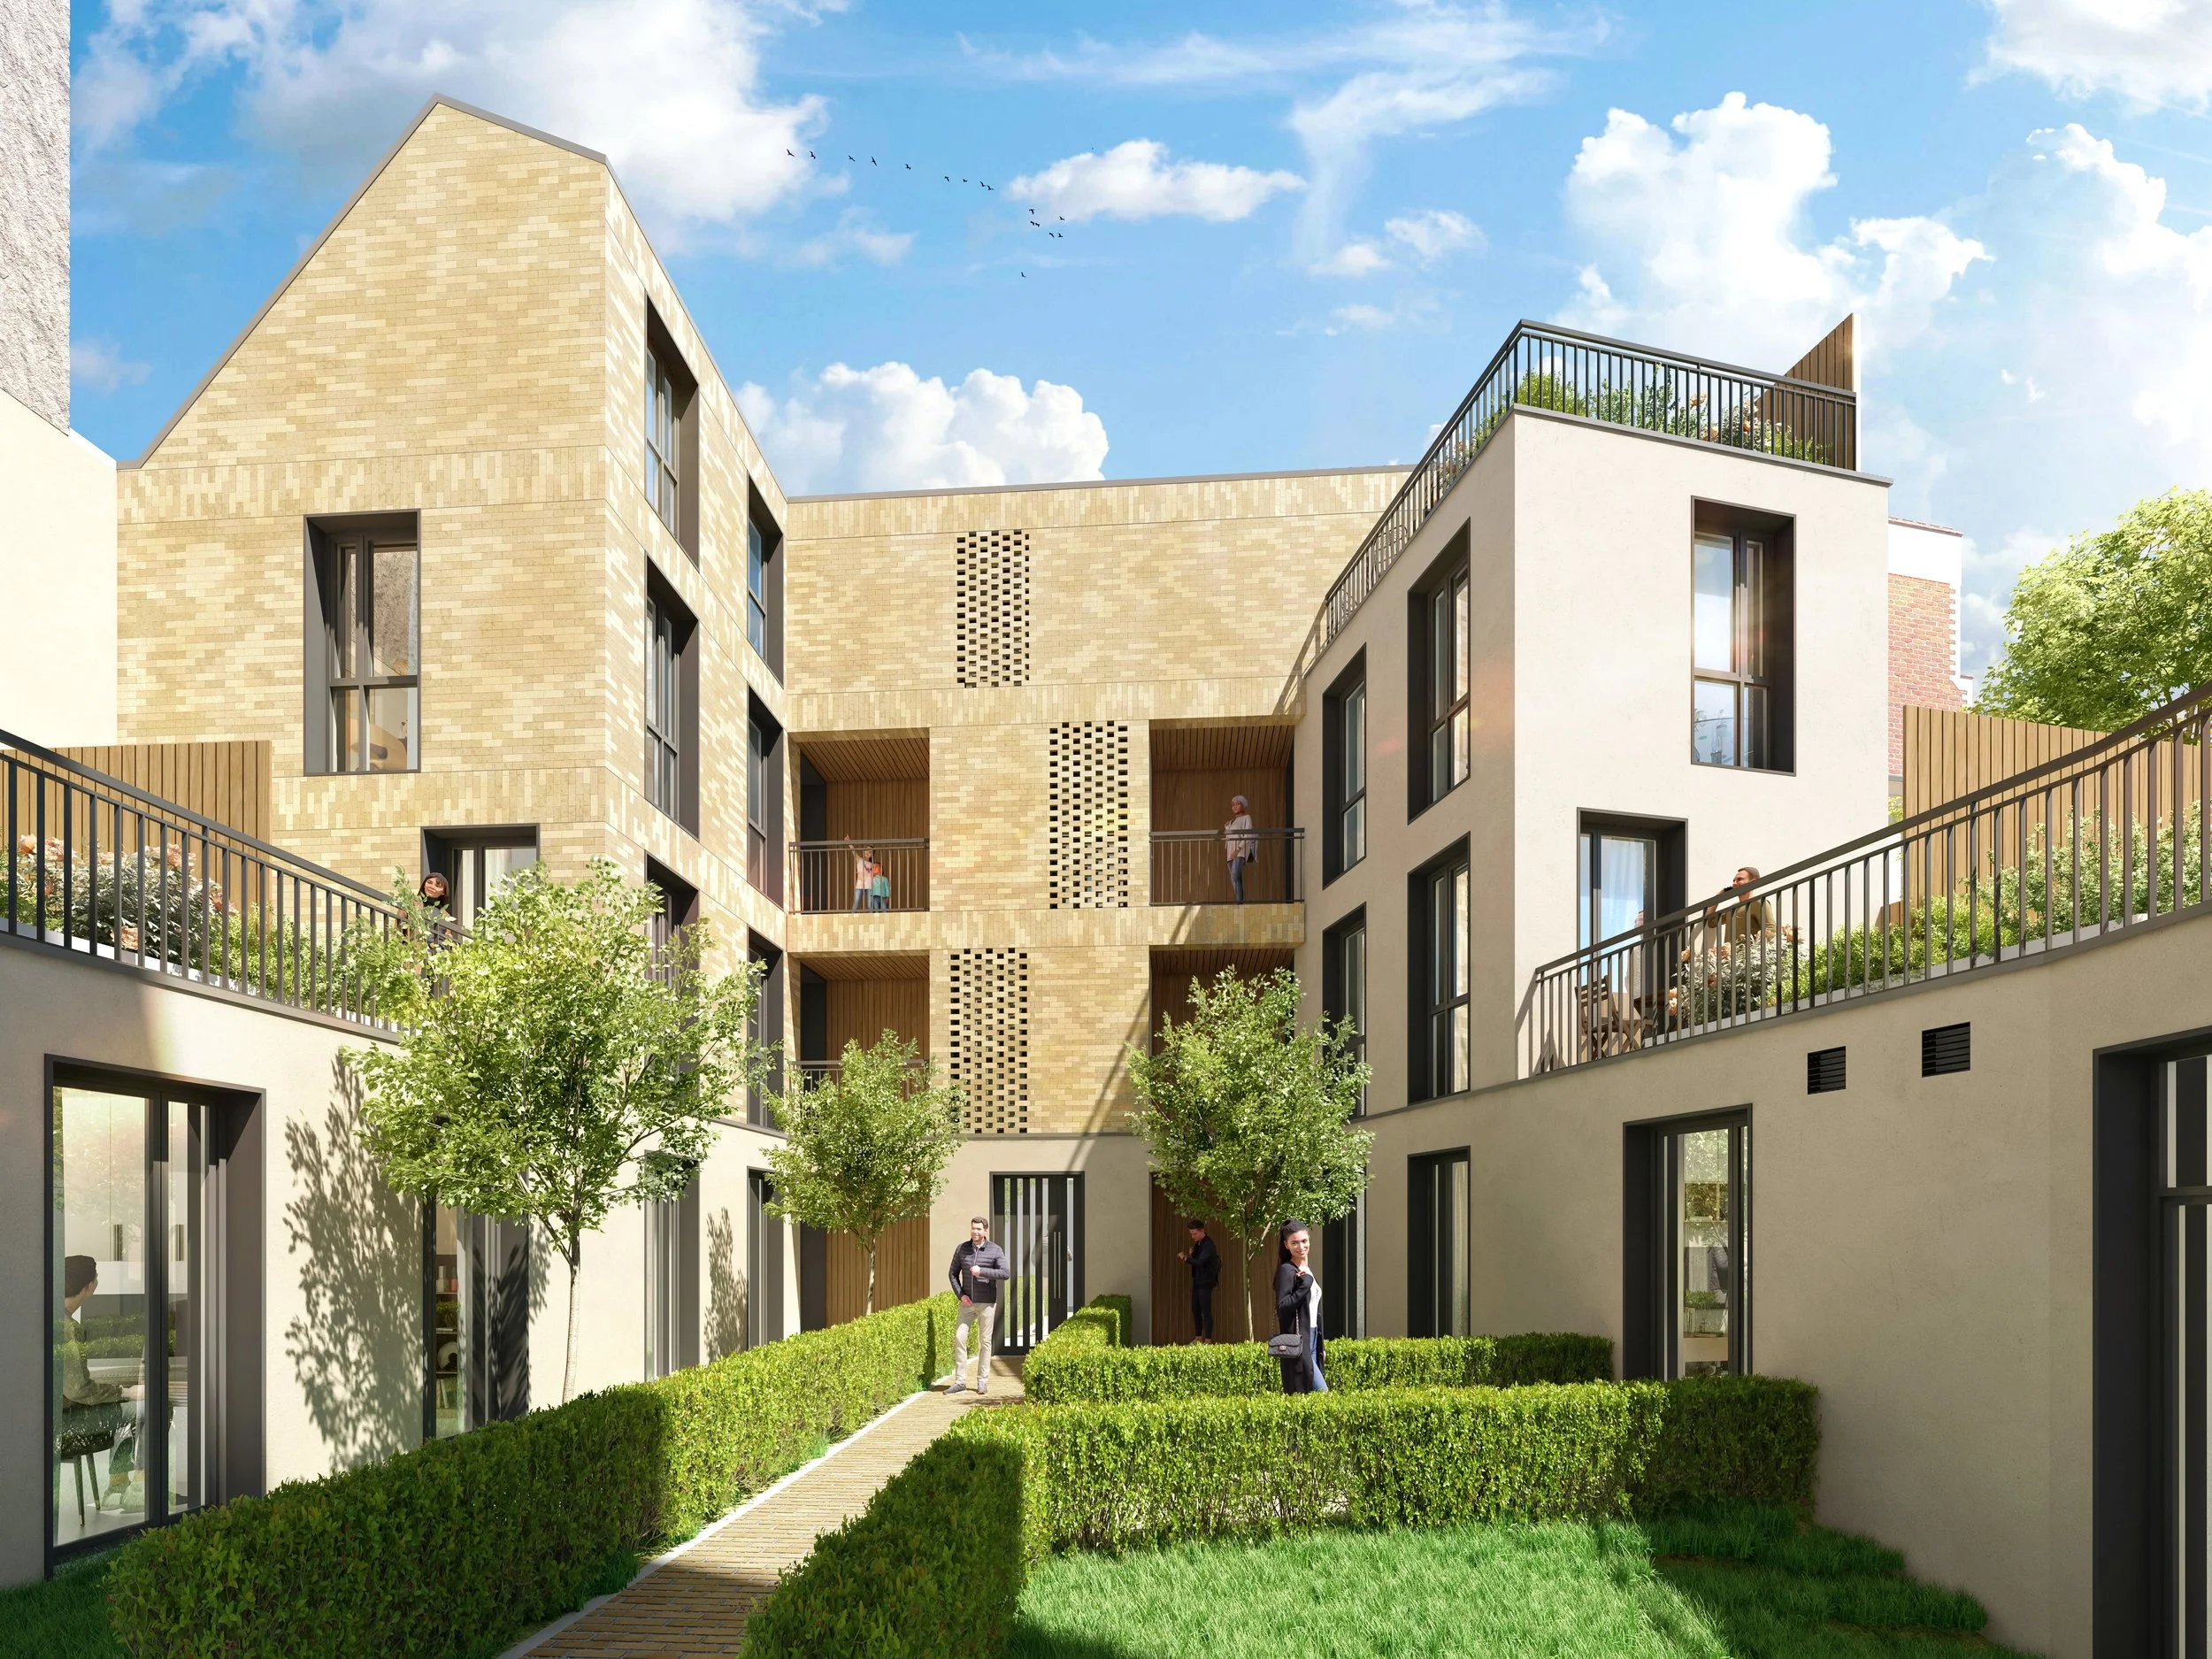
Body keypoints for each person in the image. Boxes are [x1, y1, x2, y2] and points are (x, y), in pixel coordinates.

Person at [58, 1255, 143, 1512]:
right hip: (67, 1426)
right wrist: (126, 1392)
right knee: (148, 1407)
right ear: (89, 1286)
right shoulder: (67, 1327)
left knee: (124, 1408)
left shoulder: (46, 1316)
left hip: (52, 1421)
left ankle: (117, 1487)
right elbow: (80, 1390)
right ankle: (140, 1488)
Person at [947, 1216, 1009, 1395]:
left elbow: (1005, 1273)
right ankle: (960, 1382)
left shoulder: (995, 1250)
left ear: (985, 1231)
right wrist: (961, 1295)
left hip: (987, 1303)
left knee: (985, 1342)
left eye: (979, 1229)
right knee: (960, 1337)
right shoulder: (962, 1249)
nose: (975, 1232)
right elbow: (952, 1274)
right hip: (967, 1304)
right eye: (973, 1228)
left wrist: (982, 1271)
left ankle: (982, 1382)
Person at [1272, 1220, 1326, 1394]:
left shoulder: (1306, 1269)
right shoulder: (1287, 1270)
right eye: (1294, 1242)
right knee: (1321, 1393)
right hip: (1300, 1340)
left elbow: (1313, 1311)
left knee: (1309, 1394)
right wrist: (1305, 1286)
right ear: (1286, 1245)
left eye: (1304, 1241)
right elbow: (1282, 1306)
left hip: (1312, 1340)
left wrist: (1320, 1347)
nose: (1300, 1246)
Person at [1177, 1219, 1220, 1342]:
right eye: (1191, 1234)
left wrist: (1186, 1258)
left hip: (1206, 1281)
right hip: (1198, 1280)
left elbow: (1200, 1262)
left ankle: (1208, 1340)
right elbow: (1197, 1260)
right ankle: (1198, 1338)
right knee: (1195, 1308)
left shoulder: (1208, 1245)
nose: (1193, 1236)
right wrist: (1192, 1255)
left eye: (1195, 1233)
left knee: (1205, 1310)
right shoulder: (1199, 1243)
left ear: (1202, 1231)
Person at [1224, 795, 1257, 903]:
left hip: (1239, 851)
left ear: (1243, 805)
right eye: (1233, 805)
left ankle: (1239, 903)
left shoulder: (1247, 818)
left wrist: (1238, 849)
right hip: (1230, 852)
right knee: (1235, 878)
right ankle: (1239, 903)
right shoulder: (1231, 822)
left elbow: (1248, 835)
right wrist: (1227, 828)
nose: (1235, 806)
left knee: (1234, 875)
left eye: (1238, 804)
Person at [852, 847, 873, 911]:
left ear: (872, 855)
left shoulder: (872, 864)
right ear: (864, 852)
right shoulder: (859, 860)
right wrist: (849, 842)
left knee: (870, 904)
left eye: (870, 852)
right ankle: (852, 916)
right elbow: (854, 852)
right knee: (856, 902)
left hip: (869, 884)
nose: (867, 852)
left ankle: (872, 917)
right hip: (860, 884)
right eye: (866, 850)